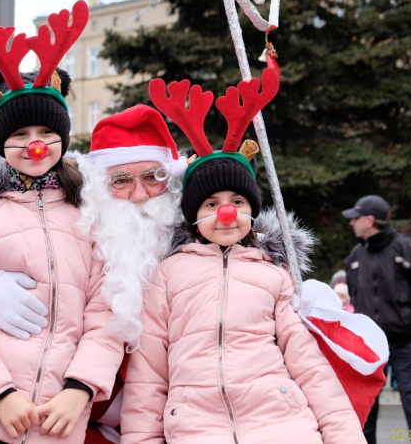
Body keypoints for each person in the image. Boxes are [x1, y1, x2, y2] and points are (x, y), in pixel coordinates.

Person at [120, 71, 364, 443]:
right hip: (196, 429)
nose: (226, 212)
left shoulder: (274, 274)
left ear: (251, 210)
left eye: (237, 202)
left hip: (282, 427)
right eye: (212, 203)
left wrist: (344, 435)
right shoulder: (167, 275)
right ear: (193, 217)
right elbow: (148, 374)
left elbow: (310, 367)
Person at [0, 4, 124, 442]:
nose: (33, 145)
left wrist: (80, 389)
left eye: (43, 132)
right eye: (19, 135)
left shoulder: (89, 218)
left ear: (62, 138)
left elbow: (105, 314)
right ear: (2, 144)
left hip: (57, 420)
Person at [0, 104, 188, 444]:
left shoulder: (203, 244)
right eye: (121, 182)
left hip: (186, 423)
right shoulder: (79, 235)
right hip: (71, 418)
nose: (139, 195)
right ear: (100, 191)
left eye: (153, 178)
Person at [342, 195, 411, 444]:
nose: (351, 224)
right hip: (369, 349)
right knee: (364, 412)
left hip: (406, 345)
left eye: (355, 219)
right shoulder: (355, 257)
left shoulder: (406, 249)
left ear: (369, 220)